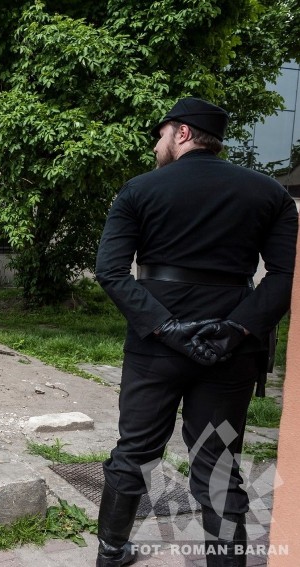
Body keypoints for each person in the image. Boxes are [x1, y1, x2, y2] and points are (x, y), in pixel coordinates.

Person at [94, 97, 297, 566]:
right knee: (219, 465)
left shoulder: (139, 190)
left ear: (182, 133)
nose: (156, 145)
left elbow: (110, 271)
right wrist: (238, 329)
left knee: (135, 451)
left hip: (156, 348)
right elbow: (287, 276)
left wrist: (166, 328)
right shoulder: (270, 194)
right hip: (230, 351)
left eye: (161, 134)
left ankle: (110, 553)